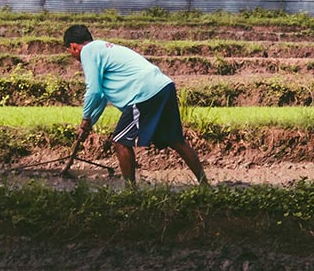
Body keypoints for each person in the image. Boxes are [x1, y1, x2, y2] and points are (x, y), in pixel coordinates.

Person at [63, 24, 208, 186]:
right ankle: (205, 185)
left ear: (74, 46)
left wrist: (84, 119)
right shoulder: (102, 49)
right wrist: (90, 122)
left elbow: (93, 91)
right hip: (163, 86)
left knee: (120, 142)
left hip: (143, 93)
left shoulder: (88, 52)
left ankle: (131, 192)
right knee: (176, 141)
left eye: (69, 50)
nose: (72, 54)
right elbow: (102, 96)